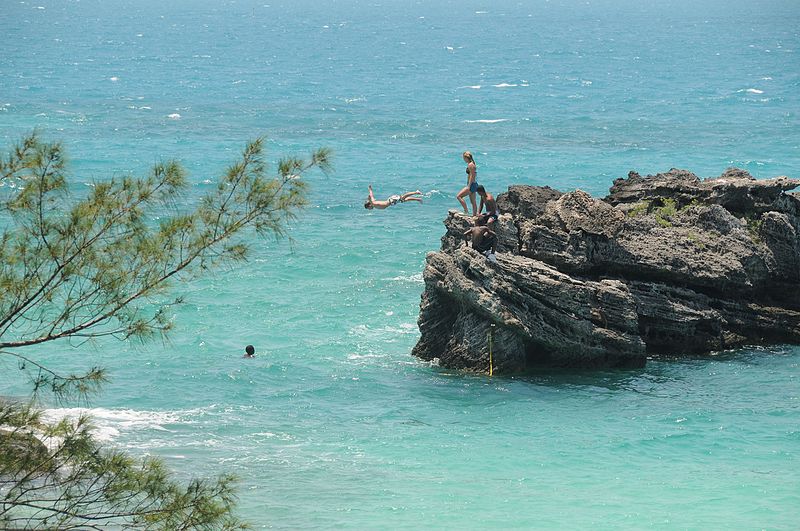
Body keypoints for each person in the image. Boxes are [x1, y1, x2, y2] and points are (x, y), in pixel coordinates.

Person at [456, 151, 479, 216]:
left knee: (459, 196)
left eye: (464, 158)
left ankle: (466, 211)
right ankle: (474, 216)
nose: (463, 159)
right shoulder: (472, 163)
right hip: (474, 184)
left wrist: (468, 186)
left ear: (466, 157)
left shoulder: (470, 165)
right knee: (473, 202)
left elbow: (472, 175)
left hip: (471, 185)